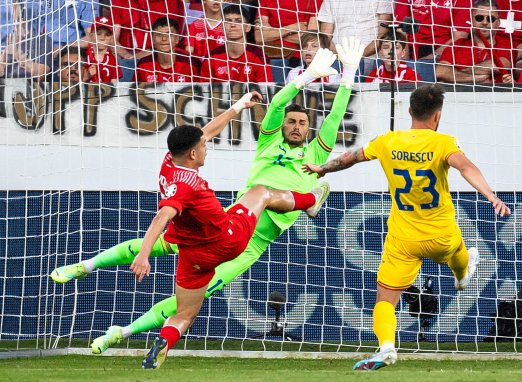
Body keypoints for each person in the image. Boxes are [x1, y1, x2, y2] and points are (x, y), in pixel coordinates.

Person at [50, 39, 365, 356]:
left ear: (310, 129)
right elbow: (279, 102)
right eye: (291, 121)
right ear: (280, 124)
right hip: (228, 223)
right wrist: (305, 76)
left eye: (303, 123)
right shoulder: (269, 144)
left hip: (249, 247)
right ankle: (85, 265)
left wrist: (349, 72)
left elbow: (337, 113)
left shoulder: (315, 153)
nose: (297, 126)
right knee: (159, 243)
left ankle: (121, 332)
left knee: (186, 302)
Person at [303, 84, 511, 371]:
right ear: (437, 116)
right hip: (441, 235)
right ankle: (462, 275)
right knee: (459, 250)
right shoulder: (443, 143)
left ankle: (387, 346)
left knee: (385, 300)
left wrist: (323, 168)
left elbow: (350, 158)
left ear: (410, 111)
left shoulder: (387, 141)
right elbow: (466, 167)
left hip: (403, 239)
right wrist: (490, 194)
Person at [128, 86, 336, 368]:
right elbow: (161, 217)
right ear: (191, 154)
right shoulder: (188, 185)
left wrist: (237, 107)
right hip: (228, 238)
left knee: (185, 314)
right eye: (202, 147)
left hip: (193, 254)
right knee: (261, 191)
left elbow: (208, 131)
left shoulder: (169, 162)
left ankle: (165, 339)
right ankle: (310, 200)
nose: (206, 148)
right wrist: (143, 254)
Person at [435, 0, 514, 84]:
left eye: (490, 19)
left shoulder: (506, 45)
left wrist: (455, 74)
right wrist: (475, 78)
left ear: (498, 23)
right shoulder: (457, 45)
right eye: (479, 18)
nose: (484, 22)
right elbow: (440, 72)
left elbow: (497, 65)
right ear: (472, 21)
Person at [199, 4, 272, 83]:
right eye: (228, 21)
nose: (233, 25)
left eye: (238, 21)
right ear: (222, 27)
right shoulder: (212, 58)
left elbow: (265, 90)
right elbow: (204, 91)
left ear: (247, 27)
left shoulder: (258, 56)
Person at [135, 17, 199, 83]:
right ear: (153, 40)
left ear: (177, 39)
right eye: (159, 35)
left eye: (169, 34)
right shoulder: (143, 65)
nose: (164, 38)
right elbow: (135, 92)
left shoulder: (191, 65)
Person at [254, 0, 322, 60]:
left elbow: (310, 39)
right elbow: (259, 37)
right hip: (268, 51)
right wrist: (293, 28)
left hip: (299, 54)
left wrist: (273, 33)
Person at [83, 16, 122, 84]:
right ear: (91, 35)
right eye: (98, 34)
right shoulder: (82, 56)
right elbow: (72, 84)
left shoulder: (113, 60)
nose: (102, 38)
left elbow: (115, 85)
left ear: (111, 38)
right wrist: (87, 76)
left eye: (107, 35)